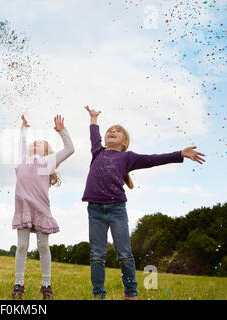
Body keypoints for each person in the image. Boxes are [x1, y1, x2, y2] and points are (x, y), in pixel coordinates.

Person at [82, 106, 206, 300]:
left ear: (124, 142)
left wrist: (179, 153)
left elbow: (153, 159)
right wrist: (93, 118)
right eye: (110, 130)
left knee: (124, 253)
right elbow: (94, 135)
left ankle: (131, 294)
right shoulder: (98, 152)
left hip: (116, 210)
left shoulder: (128, 157)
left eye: (118, 130)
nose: (112, 132)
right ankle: (98, 295)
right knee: (97, 255)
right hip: (95, 210)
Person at [11, 114, 75, 300]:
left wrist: (62, 131)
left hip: (41, 210)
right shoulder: (22, 160)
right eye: (34, 142)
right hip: (23, 209)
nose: (34, 144)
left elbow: (70, 149)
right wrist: (24, 128)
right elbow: (21, 144)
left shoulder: (47, 162)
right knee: (22, 246)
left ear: (47, 152)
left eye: (40, 143)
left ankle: (46, 285)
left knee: (43, 246)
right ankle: (18, 284)